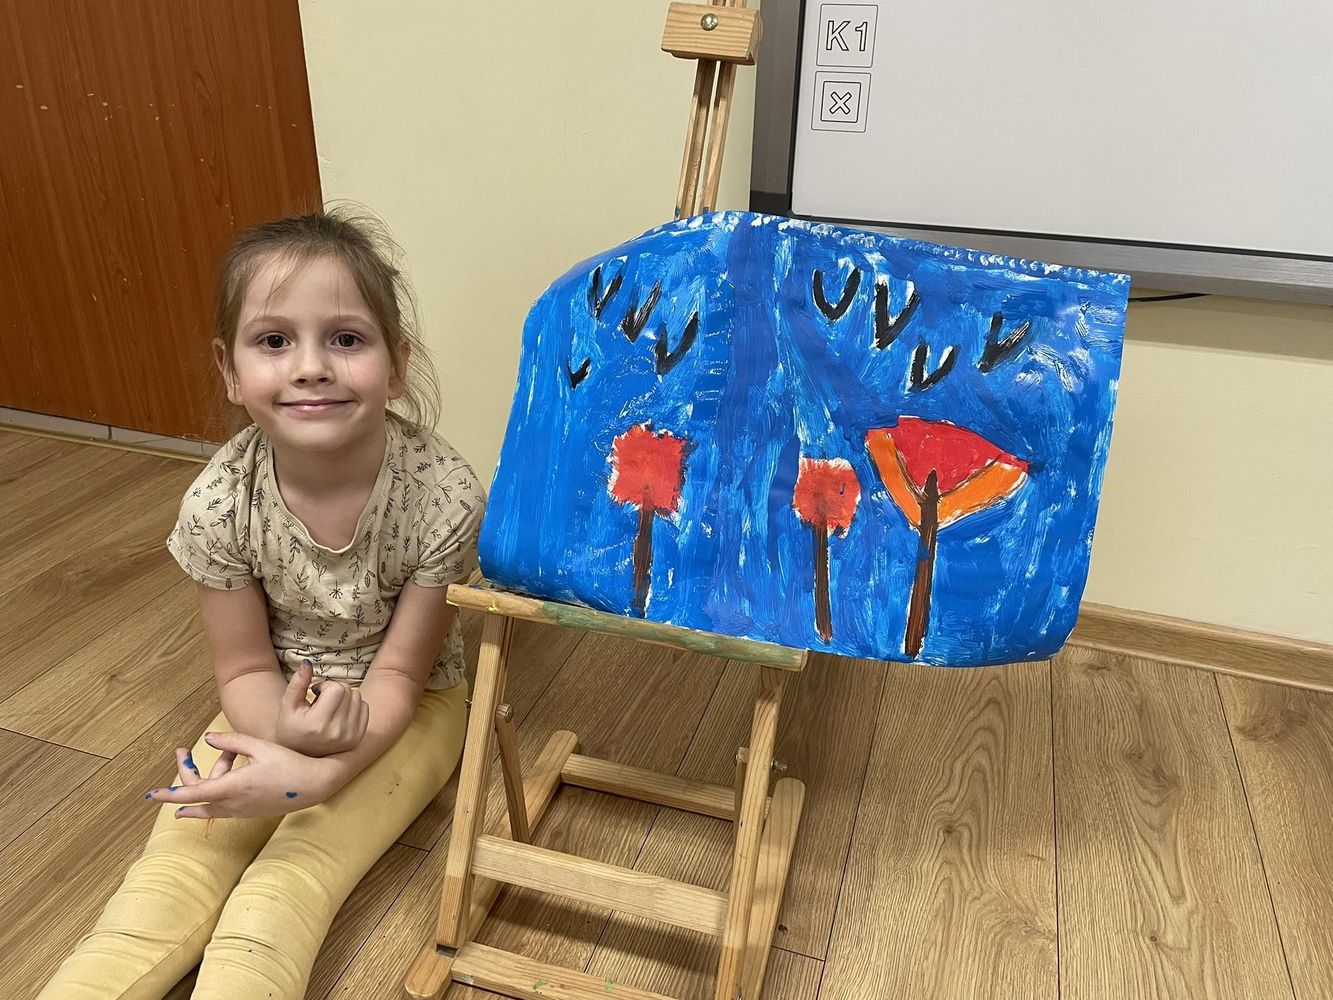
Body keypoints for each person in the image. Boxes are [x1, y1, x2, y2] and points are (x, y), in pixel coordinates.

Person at [40, 208, 485, 999]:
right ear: (230, 370)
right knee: (166, 883)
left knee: (282, 892)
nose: (310, 367)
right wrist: (283, 734)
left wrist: (311, 777)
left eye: (345, 339)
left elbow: (401, 675)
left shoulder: (444, 496)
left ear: (396, 365)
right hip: (271, 695)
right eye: (274, 341)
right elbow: (244, 667)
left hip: (410, 704)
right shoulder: (217, 503)